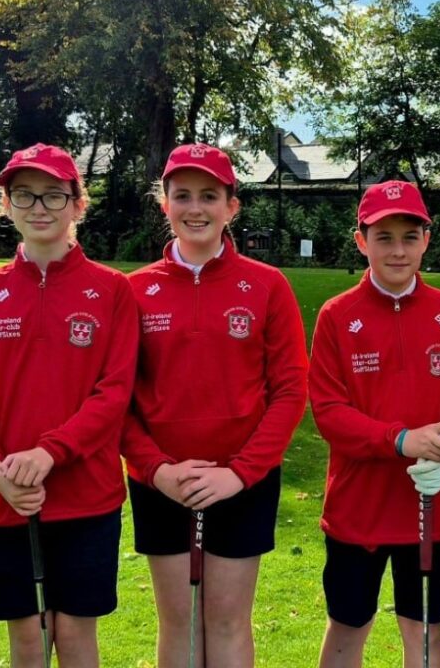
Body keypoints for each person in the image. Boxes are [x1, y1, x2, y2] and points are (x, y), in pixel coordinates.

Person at [0, 143, 138, 667]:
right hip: (5, 495)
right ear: (5, 204)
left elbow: (114, 392)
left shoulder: (112, 290)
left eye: (54, 195)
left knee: (76, 637)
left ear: (78, 204)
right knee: (27, 641)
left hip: (85, 496)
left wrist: (50, 453)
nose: (39, 207)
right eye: (23, 195)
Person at [121, 143, 308, 667]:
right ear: (165, 203)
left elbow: (291, 390)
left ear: (232, 206)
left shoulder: (268, 285)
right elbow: (118, 399)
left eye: (209, 195)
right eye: (182, 195)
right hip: (161, 484)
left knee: (226, 622)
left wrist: (240, 474)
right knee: (179, 624)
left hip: (244, 481)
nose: (195, 208)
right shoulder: (133, 291)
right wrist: (156, 470)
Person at [309, 180, 440, 668]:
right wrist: (400, 440)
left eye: (409, 235)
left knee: (424, 630)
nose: (398, 250)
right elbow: (329, 411)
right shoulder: (337, 315)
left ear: (427, 237)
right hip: (357, 509)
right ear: (361, 240)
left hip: (430, 505)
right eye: (384, 237)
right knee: (347, 625)